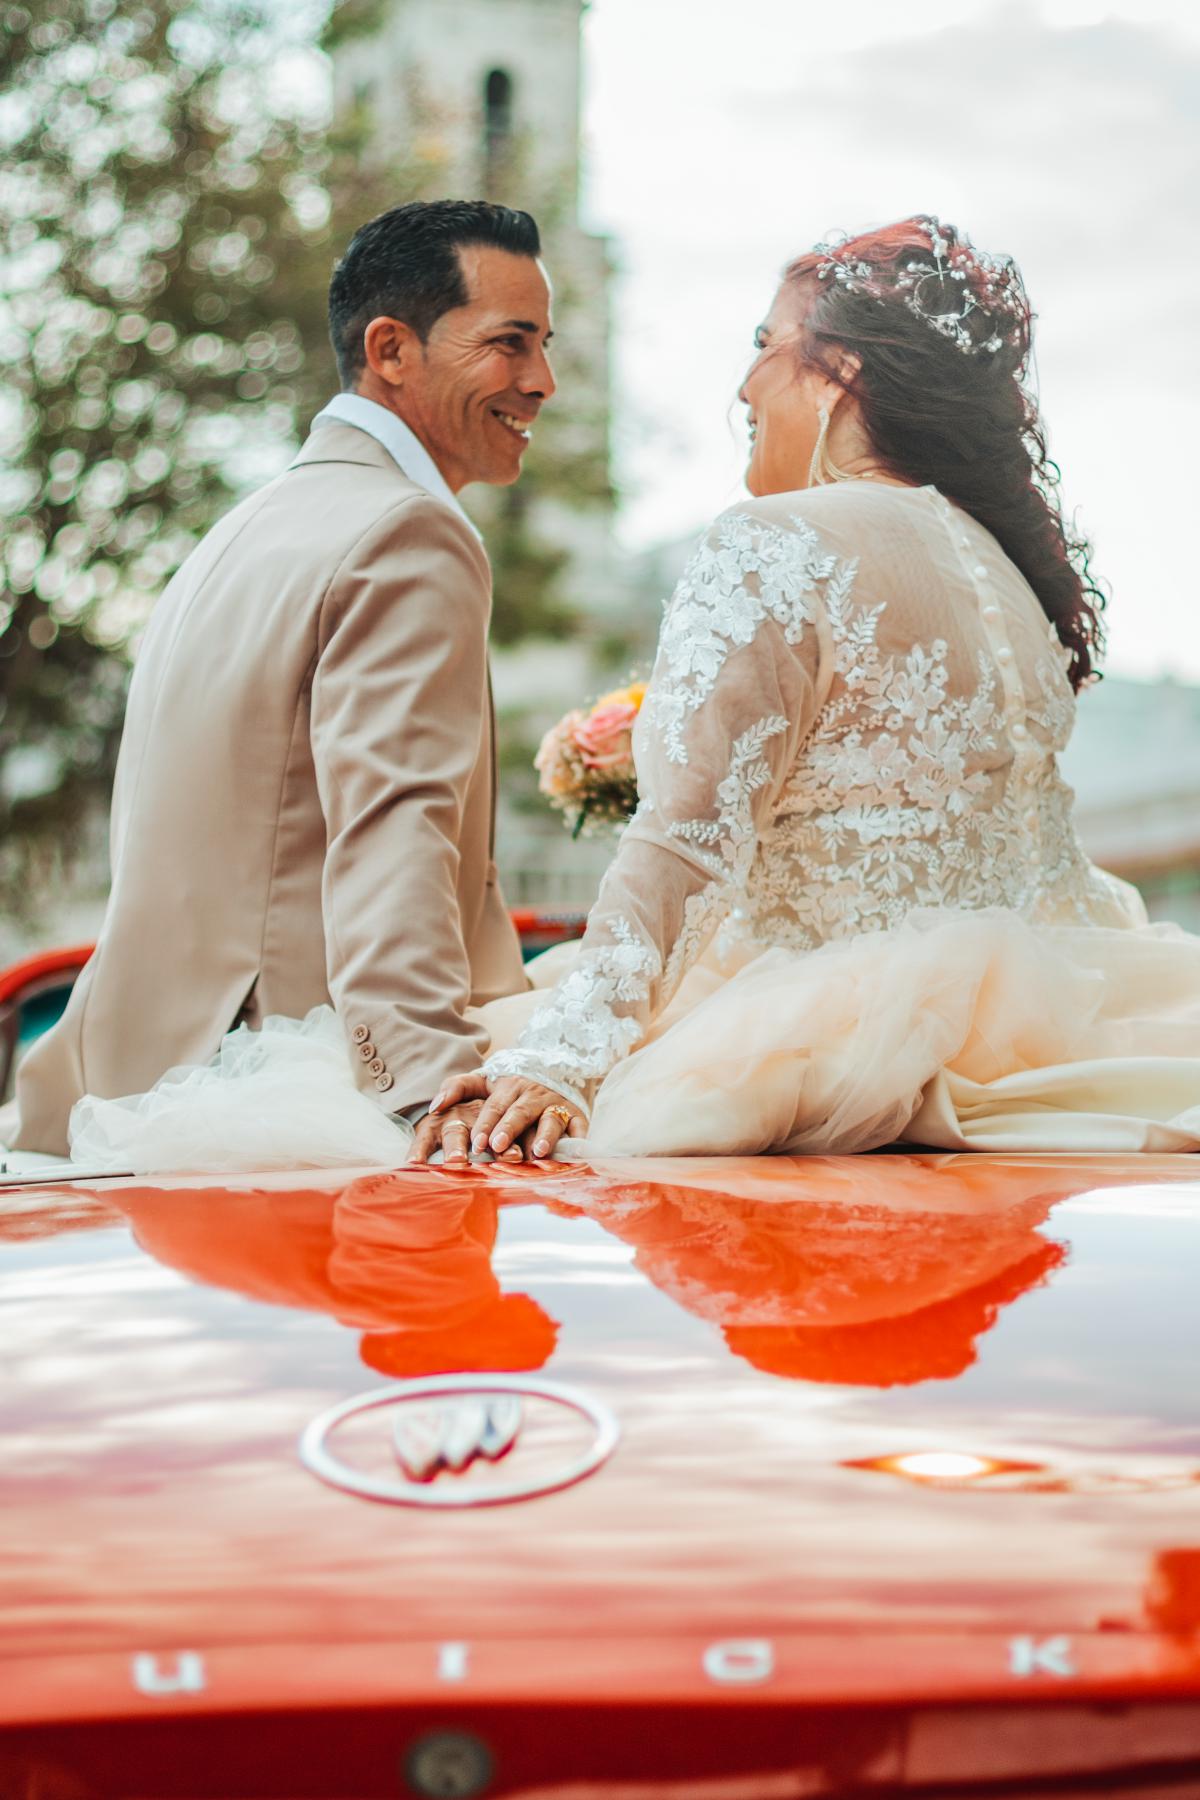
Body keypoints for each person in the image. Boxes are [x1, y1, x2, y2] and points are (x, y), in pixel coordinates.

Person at [440, 214, 1200, 1160]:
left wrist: (561, 1058)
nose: (745, 383)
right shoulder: (1008, 577)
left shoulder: (773, 543)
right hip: (1042, 1042)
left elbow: (683, 845)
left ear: (839, 373)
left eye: (765, 345)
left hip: (820, 1048)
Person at [12, 200, 555, 1167]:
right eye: (509, 344)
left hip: (134, 1092)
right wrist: (427, 1091)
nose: (541, 381)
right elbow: (395, 825)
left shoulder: (246, 528)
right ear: (391, 349)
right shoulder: (408, 534)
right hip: (288, 1090)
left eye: (543, 345)